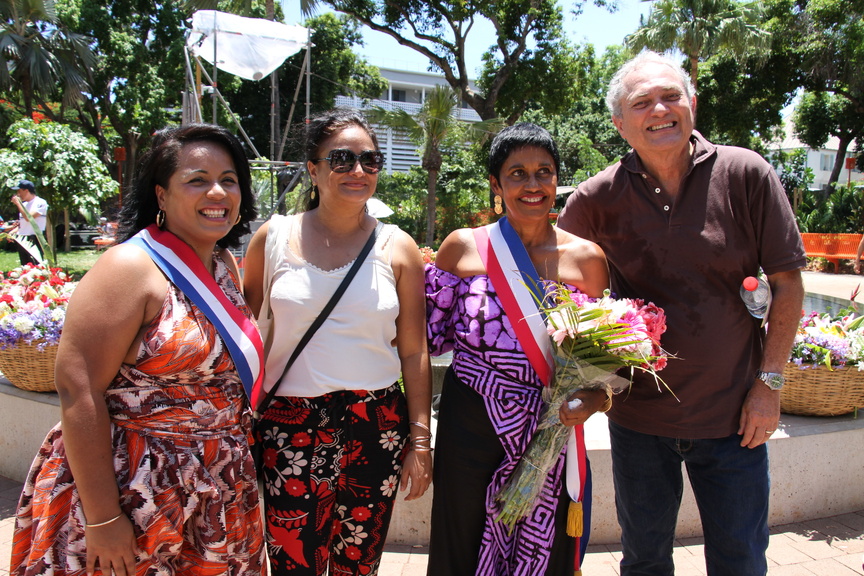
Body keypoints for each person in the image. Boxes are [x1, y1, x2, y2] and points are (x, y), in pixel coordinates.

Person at [556, 51, 806, 575]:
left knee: (740, 561)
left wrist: (770, 386)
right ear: (620, 124)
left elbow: (787, 284)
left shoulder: (746, 172)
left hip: (736, 418)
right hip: (638, 421)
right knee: (644, 561)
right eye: (641, 102)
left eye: (671, 96)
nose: (660, 110)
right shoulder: (597, 197)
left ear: (692, 103)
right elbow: (553, 286)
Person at [11, 124, 266, 576]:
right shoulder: (129, 266)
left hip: (219, 484)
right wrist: (104, 517)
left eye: (229, 180)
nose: (218, 191)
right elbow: (78, 389)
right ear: (161, 195)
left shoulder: (223, 263)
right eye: (196, 179)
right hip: (136, 489)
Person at [242, 109, 432, 576]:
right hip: (290, 422)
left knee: (358, 563)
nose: (359, 171)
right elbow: (243, 336)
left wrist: (420, 441)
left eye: (371, 160)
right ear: (313, 168)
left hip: (376, 423)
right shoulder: (274, 237)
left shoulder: (397, 245)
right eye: (342, 159)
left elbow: (413, 350)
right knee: (294, 561)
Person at [425, 123, 610, 575]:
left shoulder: (586, 259)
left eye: (544, 172)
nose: (533, 185)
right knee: (461, 544)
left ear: (556, 179)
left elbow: (604, 370)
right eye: (517, 173)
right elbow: (428, 340)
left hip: (550, 424)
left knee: (543, 553)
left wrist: (592, 399)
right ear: (496, 183)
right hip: (470, 422)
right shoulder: (463, 247)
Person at [6, 179, 49, 265]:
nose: (18, 194)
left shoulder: (40, 202)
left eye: (19, 191)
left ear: (26, 190)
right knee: (25, 266)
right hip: (23, 238)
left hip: (34, 238)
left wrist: (18, 204)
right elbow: (23, 224)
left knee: (35, 265)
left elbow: (29, 218)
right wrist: (13, 232)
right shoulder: (24, 205)